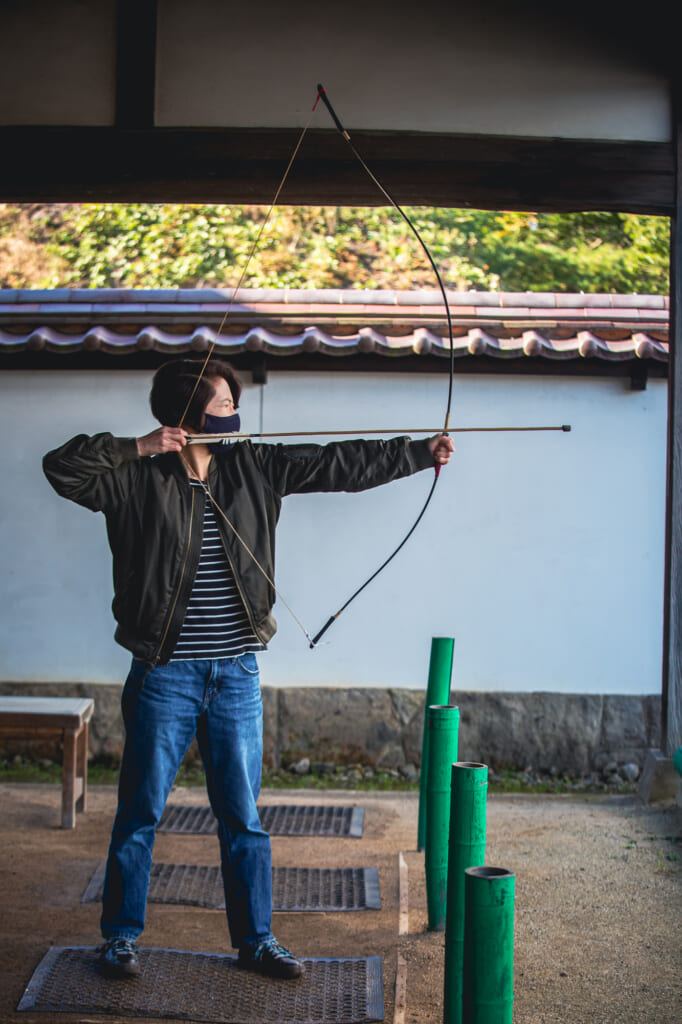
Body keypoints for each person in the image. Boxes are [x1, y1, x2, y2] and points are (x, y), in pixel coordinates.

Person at [43, 357, 454, 981]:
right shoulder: (133, 477)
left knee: (243, 817)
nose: (235, 409)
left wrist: (419, 453)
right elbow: (61, 466)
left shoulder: (254, 467)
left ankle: (256, 940)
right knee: (139, 812)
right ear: (186, 414)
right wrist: (136, 446)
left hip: (235, 673)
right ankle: (121, 938)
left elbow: (338, 464)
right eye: (223, 400)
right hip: (165, 674)